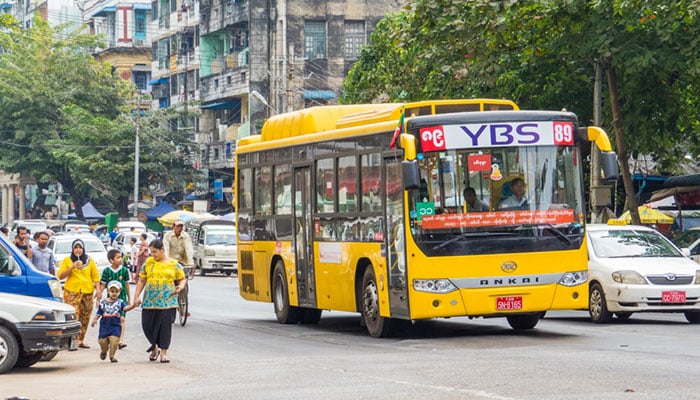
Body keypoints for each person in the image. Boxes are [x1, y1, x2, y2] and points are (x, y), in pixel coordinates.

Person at [131, 239, 185, 363]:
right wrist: (136, 296)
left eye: (155, 252)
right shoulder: (148, 263)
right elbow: (142, 280)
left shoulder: (174, 264)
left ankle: (164, 353)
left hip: (168, 301)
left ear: (162, 250)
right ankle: (154, 347)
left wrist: (180, 287)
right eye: (151, 252)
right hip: (150, 301)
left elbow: (182, 279)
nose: (153, 254)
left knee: (165, 327)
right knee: (147, 325)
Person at [57, 238, 100, 349]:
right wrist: (72, 266)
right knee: (73, 315)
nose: (78, 250)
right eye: (75, 247)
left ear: (83, 249)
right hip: (72, 291)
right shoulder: (67, 260)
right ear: (72, 249)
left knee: (85, 316)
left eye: (80, 247)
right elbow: (61, 275)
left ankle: (81, 340)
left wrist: (98, 291)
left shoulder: (89, 260)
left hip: (87, 291)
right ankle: (71, 340)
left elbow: (95, 276)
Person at [91, 280, 135, 363]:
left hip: (115, 326)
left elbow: (125, 309)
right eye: (112, 291)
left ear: (119, 292)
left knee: (114, 341)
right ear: (108, 291)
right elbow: (99, 313)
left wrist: (133, 305)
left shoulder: (120, 302)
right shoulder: (103, 302)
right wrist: (95, 320)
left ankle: (112, 356)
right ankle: (104, 351)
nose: (114, 293)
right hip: (105, 326)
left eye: (116, 291)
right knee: (102, 341)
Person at [97, 249, 132, 349]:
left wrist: (129, 299)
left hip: (122, 299)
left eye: (121, 257)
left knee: (122, 319)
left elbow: (127, 285)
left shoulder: (124, 270)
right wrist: (98, 296)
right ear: (111, 260)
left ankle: (120, 340)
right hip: (111, 302)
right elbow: (103, 284)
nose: (120, 259)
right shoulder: (107, 271)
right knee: (111, 319)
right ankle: (111, 338)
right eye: (118, 257)